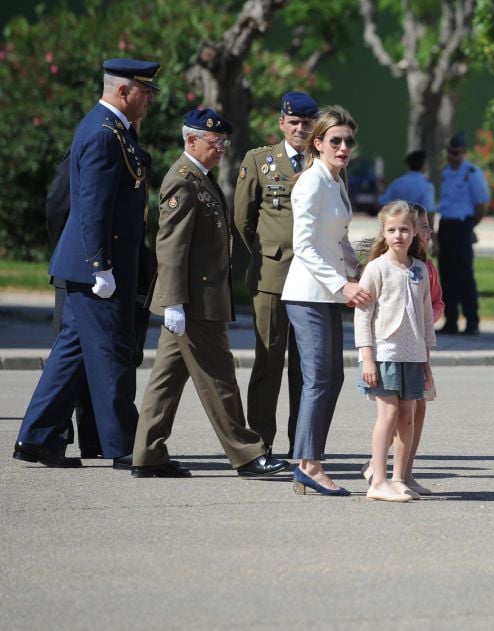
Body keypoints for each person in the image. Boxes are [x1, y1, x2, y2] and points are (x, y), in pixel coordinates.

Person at [13, 58, 159, 470]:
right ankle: (125, 446)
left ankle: (36, 438)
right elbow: (92, 207)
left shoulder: (117, 131)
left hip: (97, 266)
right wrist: (101, 267)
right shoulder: (101, 133)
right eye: (144, 90)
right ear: (123, 91)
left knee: (72, 354)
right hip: (97, 268)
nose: (149, 98)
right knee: (110, 352)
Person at [131, 108, 290, 479]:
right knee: (219, 376)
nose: (220, 149)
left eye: (223, 142)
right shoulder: (183, 180)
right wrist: (172, 301)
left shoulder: (200, 177)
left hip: (198, 299)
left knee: (166, 379)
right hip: (193, 301)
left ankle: (147, 453)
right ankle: (248, 454)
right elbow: (170, 247)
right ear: (191, 141)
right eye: (214, 142)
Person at [282, 105, 372, 496]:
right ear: (317, 143)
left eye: (349, 141)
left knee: (331, 377)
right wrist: (342, 284)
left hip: (329, 294)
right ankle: (307, 463)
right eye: (335, 140)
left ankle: (309, 459)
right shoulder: (311, 182)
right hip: (307, 294)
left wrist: (363, 268)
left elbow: (337, 241)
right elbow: (302, 245)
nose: (343, 147)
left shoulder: (336, 181)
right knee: (318, 378)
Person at [234, 91, 319, 457]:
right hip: (271, 278)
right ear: (282, 123)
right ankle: (261, 442)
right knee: (268, 360)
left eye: (306, 123)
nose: (300, 129)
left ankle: (301, 445)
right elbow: (242, 220)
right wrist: (264, 257)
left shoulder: (326, 162)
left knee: (306, 366)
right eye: (294, 122)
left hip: (312, 280)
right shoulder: (260, 161)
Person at [355, 201, 436, 502]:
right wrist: (367, 357)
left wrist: (427, 359)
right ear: (383, 233)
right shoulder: (376, 269)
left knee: (408, 417)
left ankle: (400, 478)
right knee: (387, 414)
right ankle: (377, 480)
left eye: (404, 229)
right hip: (384, 353)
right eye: (391, 230)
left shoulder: (420, 270)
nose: (398, 235)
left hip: (414, 353)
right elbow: (362, 315)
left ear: (415, 231)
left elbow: (426, 316)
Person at [436, 131, 489, 335]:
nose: (452, 156)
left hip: (462, 225)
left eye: (456, 152)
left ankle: (472, 321)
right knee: (447, 276)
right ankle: (451, 320)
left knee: (464, 277)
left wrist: (469, 227)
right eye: (450, 152)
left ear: (464, 153)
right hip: (447, 224)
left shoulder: (471, 174)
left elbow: (480, 206)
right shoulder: (445, 172)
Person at [379, 149, 435, 215]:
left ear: (409, 165)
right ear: (423, 165)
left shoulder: (397, 183)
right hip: (416, 224)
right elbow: (429, 211)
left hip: (397, 223)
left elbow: (382, 203)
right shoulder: (426, 185)